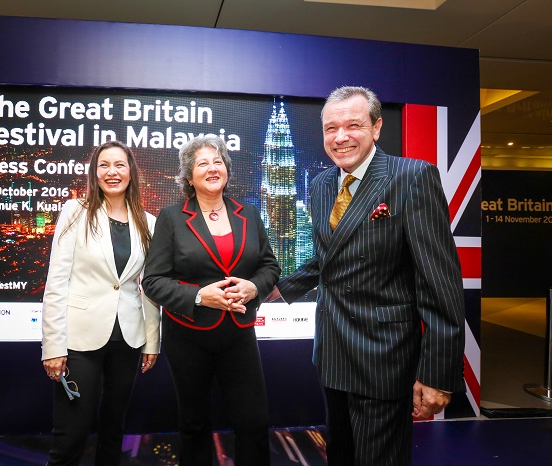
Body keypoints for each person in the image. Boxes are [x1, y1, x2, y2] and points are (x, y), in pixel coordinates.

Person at [270, 86, 465, 466]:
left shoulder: (411, 177)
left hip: (384, 355)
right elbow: (327, 259)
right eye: (331, 128)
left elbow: (439, 284)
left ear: (376, 127)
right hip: (332, 352)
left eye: (352, 125)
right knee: (341, 455)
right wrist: (274, 288)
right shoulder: (322, 184)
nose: (340, 137)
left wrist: (437, 375)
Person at [141, 135, 280, 465]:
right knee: (194, 424)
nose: (212, 168)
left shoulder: (248, 213)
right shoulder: (172, 218)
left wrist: (253, 288)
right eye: (202, 163)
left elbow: (270, 266)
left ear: (227, 170)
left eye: (218, 161)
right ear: (189, 176)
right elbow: (153, 281)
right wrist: (200, 296)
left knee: (254, 423)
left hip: (239, 335)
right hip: (188, 337)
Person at [41, 140, 160, 466]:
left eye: (119, 165)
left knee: (113, 432)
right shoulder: (74, 212)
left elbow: (147, 287)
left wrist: (153, 340)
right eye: (104, 165)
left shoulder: (147, 222)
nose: (112, 172)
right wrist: (53, 346)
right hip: (80, 339)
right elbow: (56, 283)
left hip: (129, 339)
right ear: (94, 173)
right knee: (71, 435)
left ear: (131, 172)